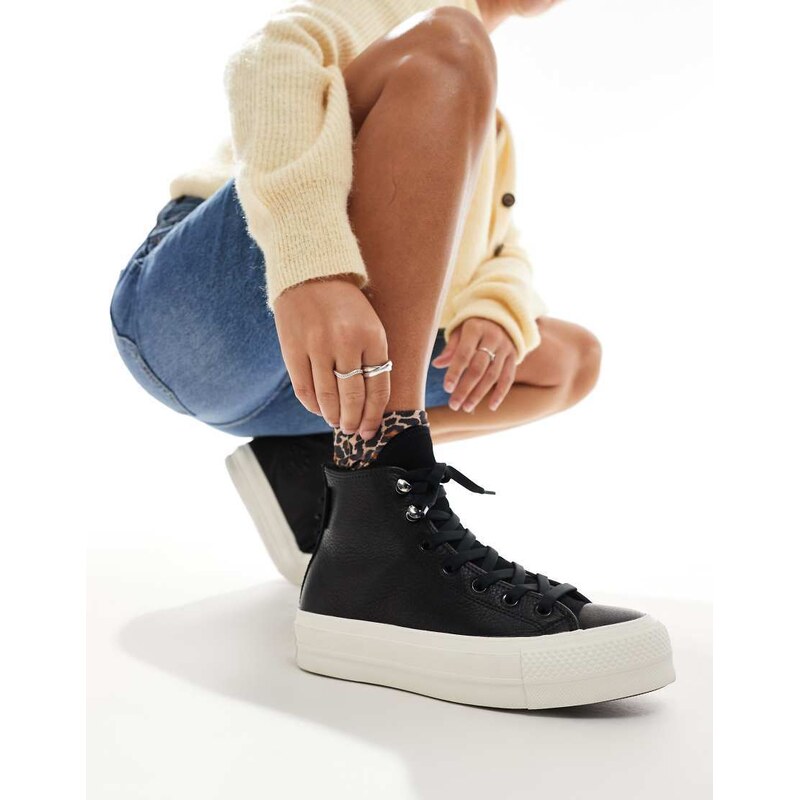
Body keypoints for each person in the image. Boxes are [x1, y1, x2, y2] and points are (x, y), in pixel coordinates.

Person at [110, 0, 675, 709]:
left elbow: (502, 251)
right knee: (448, 44)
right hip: (200, 312)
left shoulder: (477, 116)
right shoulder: (426, 29)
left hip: (314, 379)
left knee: (568, 360)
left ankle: (323, 462)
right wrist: (310, 266)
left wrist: (493, 309)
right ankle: (382, 510)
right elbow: (270, 59)